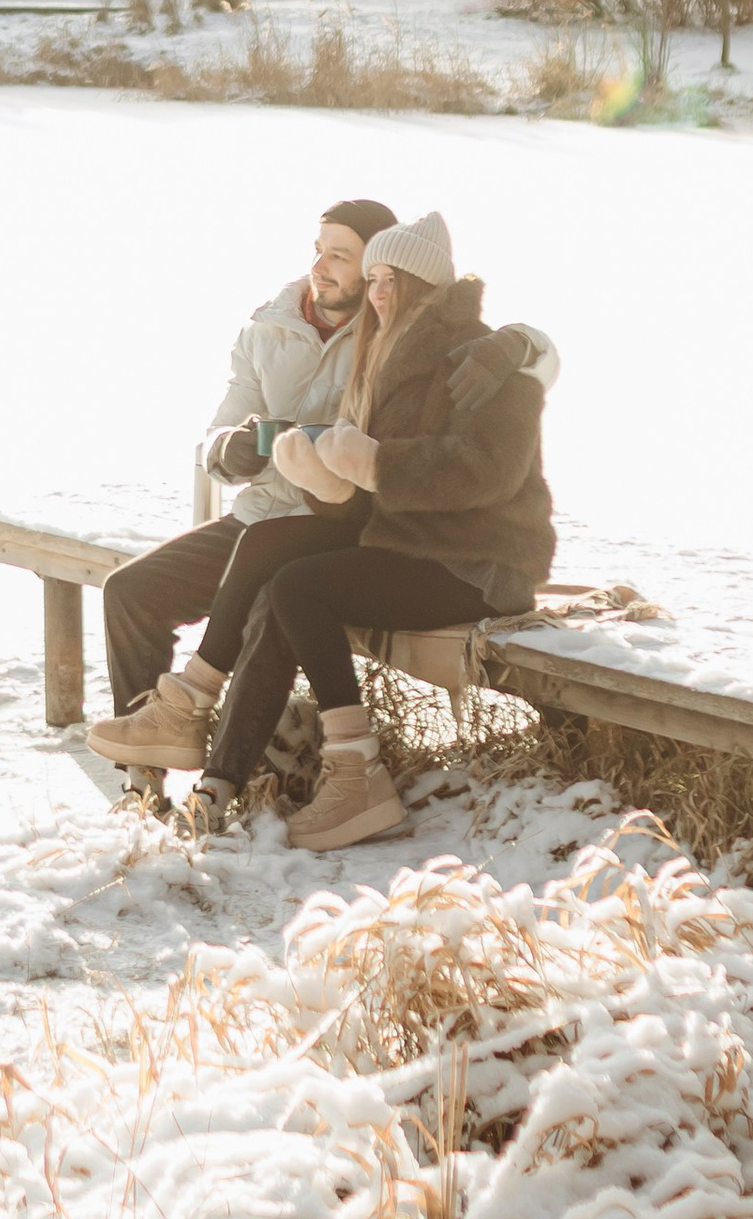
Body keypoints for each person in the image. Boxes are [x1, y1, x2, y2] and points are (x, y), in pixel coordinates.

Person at [106, 210, 558, 856]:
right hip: (391, 539)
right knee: (261, 549)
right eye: (372, 277)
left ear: (424, 284)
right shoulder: (375, 350)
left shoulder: (479, 359)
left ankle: (349, 774)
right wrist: (322, 480)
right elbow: (349, 491)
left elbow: (487, 470)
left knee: (295, 588)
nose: (378, 291)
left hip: (477, 561)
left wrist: (377, 465)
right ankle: (185, 710)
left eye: (389, 277)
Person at [92, 199, 397, 740]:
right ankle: (144, 760)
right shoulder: (268, 328)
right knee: (131, 590)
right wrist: (229, 451)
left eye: (339, 256)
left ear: (376, 268)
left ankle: (225, 770)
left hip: (333, 533)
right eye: (318, 251)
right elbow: (220, 428)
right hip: (257, 518)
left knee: (267, 612)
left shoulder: (391, 335)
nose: (320, 267)